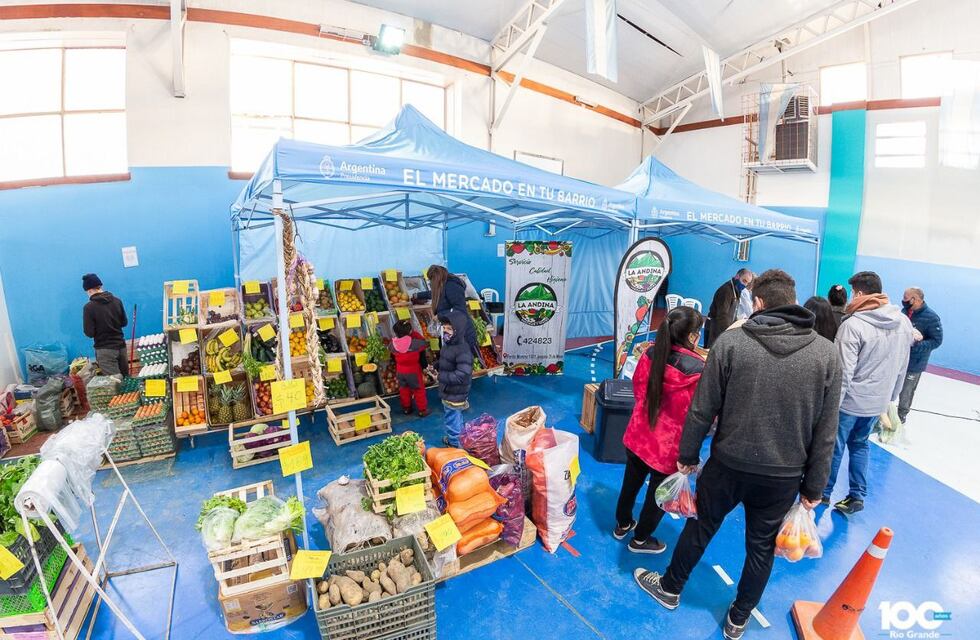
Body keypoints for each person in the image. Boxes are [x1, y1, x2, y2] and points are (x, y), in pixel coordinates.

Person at [633, 269, 841, 640]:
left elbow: (702, 408)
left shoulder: (731, 344)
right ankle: (738, 618)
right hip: (784, 474)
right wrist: (815, 488)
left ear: (758, 303)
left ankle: (670, 588)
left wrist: (688, 455)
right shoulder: (827, 354)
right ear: (792, 300)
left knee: (701, 526)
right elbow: (827, 430)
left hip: (728, 463)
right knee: (761, 547)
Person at [614, 307, 705, 555]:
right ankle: (641, 539)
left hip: (638, 435)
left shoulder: (650, 354)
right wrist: (690, 454)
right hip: (667, 449)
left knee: (630, 484)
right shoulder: (698, 371)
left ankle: (622, 524)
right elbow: (697, 417)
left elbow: (638, 389)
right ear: (693, 336)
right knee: (659, 497)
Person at [822, 271, 913, 515]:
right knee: (860, 445)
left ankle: (823, 494)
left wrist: (831, 407)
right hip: (877, 402)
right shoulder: (903, 322)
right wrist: (890, 398)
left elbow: (843, 373)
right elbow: (903, 365)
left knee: (834, 447)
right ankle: (856, 496)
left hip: (850, 403)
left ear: (859, 293)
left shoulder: (853, 325)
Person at [898, 287, 942, 424]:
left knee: (906, 392)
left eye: (906, 298)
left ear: (915, 299)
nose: (903, 301)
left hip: (915, 363)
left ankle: (901, 417)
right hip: (899, 359)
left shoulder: (931, 318)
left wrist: (916, 345)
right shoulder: (904, 312)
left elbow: (937, 341)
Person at [416, 265, 477, 353]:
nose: (431, 282)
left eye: (431, 280)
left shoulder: (452, 286)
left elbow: (460, 310)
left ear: (436, 278)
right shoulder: (443, 285)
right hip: (450, 331)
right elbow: (435, 293)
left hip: (462, 333)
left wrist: (440, 315)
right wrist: (417, 295)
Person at [435, 310, 473, 447]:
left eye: (449, 329)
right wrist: (437, 365)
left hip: (455, 392)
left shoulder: (462, 350)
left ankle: (455, 444)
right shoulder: (448, 345)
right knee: (456, 417)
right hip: (449, 390)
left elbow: (462, 373)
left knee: (452, 418)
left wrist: (441, 376)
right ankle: (460, 438)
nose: (445, 331)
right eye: (444, 328)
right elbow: (446, 361)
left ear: (459, 330)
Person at [82, 273, 129, 375]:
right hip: (121, 347)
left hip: (105, 350)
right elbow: (124, 322)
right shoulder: (117, 301)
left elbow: (89, 333)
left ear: (89, 290)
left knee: (114, 384)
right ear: (100, 287)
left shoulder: (89, 307)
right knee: (126, 383)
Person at [389, 320, 429, 418]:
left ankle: (406, 408)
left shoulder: (393, 344)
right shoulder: (415, 344)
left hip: (400, 371)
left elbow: (392, 356)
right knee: (418, 390)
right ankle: (422, 410)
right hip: (413, 371)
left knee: (404, 389)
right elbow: (424, 344)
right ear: (410, 331)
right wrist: (413, 333)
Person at [705, 269, 753, 347]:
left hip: (723, 328)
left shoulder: (736, 289)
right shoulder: (726, 290)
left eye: (747, 283)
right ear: (737, 276)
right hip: (714, 328)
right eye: (744, 281)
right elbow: (722, 315)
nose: (745, 285)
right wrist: (728, 333)